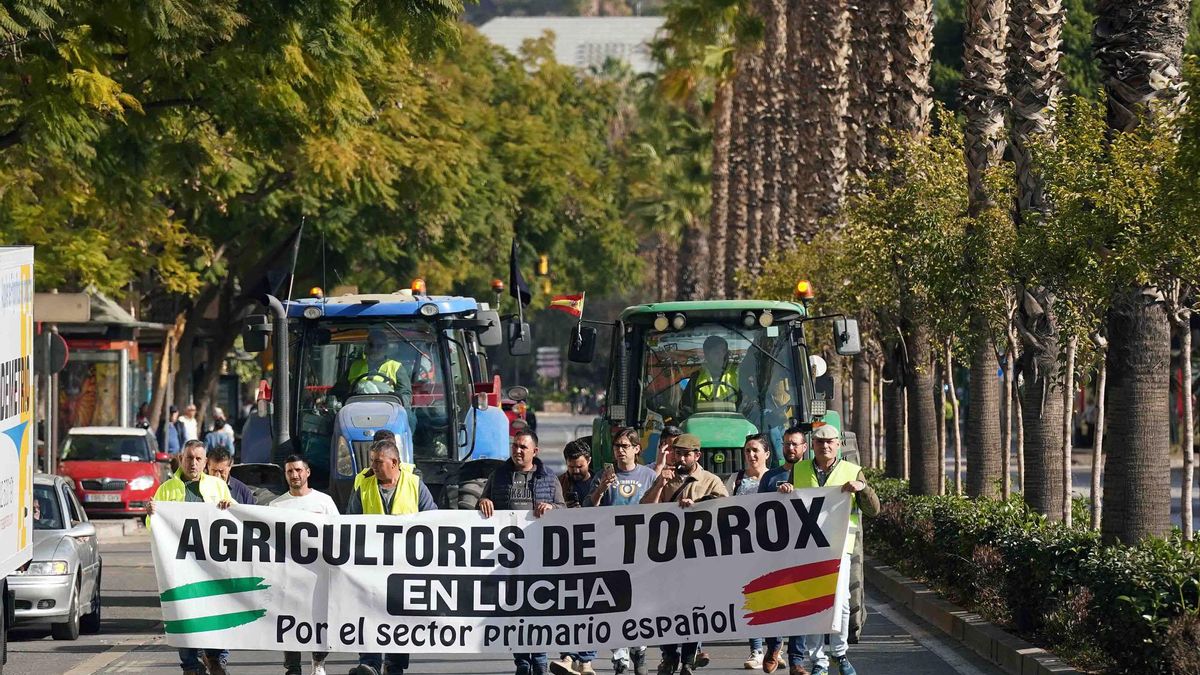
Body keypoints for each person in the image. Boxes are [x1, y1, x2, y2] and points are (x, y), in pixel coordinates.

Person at [778, 424, 879, 675]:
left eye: (830, 442)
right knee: (813, 604)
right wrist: (785, 491)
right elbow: (786, 506)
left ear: (838, 445)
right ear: (813, 446)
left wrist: (861, 489)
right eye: (820, 442)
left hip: (840, 545)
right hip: (809, 547)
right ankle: (818, 662)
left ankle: (839, 653)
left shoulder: (853, 471)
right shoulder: (799, 470)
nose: (825, 446)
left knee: (842, 602)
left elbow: (874, 509)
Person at [345, 439, 437, 675]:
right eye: (372, 461)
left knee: (399, 617)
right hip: (371, 566)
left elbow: (434, 521)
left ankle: (394, 665)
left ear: (394, 462)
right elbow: (350, 523)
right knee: (369, 613)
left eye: (378, 461)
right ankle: (370, 663)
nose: (372, 466)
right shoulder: (364, 486)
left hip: (404, 567)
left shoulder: (415, 485)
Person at [478, 429, 565, 675]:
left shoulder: (549, 477)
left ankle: (539, 659)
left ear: (534, 452)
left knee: (537, 610)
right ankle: (522, 662)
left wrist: (552, 507)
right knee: (514, 611)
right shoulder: (499, 476)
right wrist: (483, 503)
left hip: (538, 557)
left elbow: (563, 510)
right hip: (508, 560)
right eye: (515, 446)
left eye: (523, 447)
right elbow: (482, 504)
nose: (517, 450)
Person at [146, 440, 234, 675]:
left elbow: (236, 519)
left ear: (205, 462)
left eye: (198, 458)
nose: (193, 463)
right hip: (180, 568)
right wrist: (152, 515)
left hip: (213, 567)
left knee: (215, 612)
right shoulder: (166, 489)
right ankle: (191, 666)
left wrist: (229, 505)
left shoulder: (217, 486)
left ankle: (215, 658)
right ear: (180, 459)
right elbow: (154, 529)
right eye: (188, 458)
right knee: (183, 615)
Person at [643, 433, 727, 675]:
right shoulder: (663, 478)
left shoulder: (709, 480)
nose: (680, 458)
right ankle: (669, 655)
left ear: (696, 456)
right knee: (666, 607)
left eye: (686, 454)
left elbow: (725, 508)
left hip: (696, 555)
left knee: (693, 607)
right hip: (666, 554)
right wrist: (660, 484)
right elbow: (644, 509)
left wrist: (698, 505)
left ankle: (688, 660)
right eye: (677, 453)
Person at [589, 427, 656, 675]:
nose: (620, 451)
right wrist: (601, 489)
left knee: (638, 603)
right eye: (617, 446)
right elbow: (589, 508)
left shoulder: (649, 476)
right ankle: (619, 656)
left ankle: (639, 650)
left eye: (625, 446)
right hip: (611, 549)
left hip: (640, 551)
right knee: (614, 604)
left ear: (637, 449)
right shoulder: (604, 475)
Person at [270, 455, 337, 675]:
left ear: (307, 472)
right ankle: (293, 667)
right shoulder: (276, 505)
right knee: (289, 619)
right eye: (290, 471)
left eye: (298, 470)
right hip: (289, 575)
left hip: (318, 574)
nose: (294, 475)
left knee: (319, 617)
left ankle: (318, 661)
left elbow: (338, 535)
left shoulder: (324, 502)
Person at [759, 427, 810, 675]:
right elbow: (756, 511)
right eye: (787, 444)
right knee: (773, 603)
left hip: (803, 550)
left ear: (804, 448)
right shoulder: (769, 478)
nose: (790, 448)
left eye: (795, 444)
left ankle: (797, 661)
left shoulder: (812, 475)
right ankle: (773, 645)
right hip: (774, 552)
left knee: (798, 605)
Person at [550, 439, 600, 675]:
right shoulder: (559, 482)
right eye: (570, 467)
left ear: (588, 461)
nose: (574, 471)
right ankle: (568, 656)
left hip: (595, 554)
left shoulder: (600, 482)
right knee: (568, 608)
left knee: (591, 608)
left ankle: (586, 660)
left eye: (579, 466)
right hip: (567, 555)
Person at [727, 434, 772, 670]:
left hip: (772, 551)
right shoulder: (736, 480)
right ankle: (756, 650)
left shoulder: (777, 479)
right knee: (751, 599)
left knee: (773, 599)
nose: (751, 455)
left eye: (755, 450)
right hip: (744, 550)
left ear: (767, 454)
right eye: (747, 451)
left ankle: (774, 648)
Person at [346, 327, 413, 409]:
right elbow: (339, 390)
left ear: (386, 348)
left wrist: (399, 406)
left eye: (379, 346)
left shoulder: (396, 367)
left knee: (409, 417)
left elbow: (405, 394)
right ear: (366, 347)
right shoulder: (355, 366)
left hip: (389, 409)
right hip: (357, 408)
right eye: (371, 345)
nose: (374, 349)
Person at [684, 335, 740, 415]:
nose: (721, 356)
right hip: (702, 423)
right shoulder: (696, 376)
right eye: (716, 352)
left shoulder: (737, 374)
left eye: (724, 351)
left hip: (734, 423)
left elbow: (746, 405)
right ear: (706, 355)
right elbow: (686, 406)